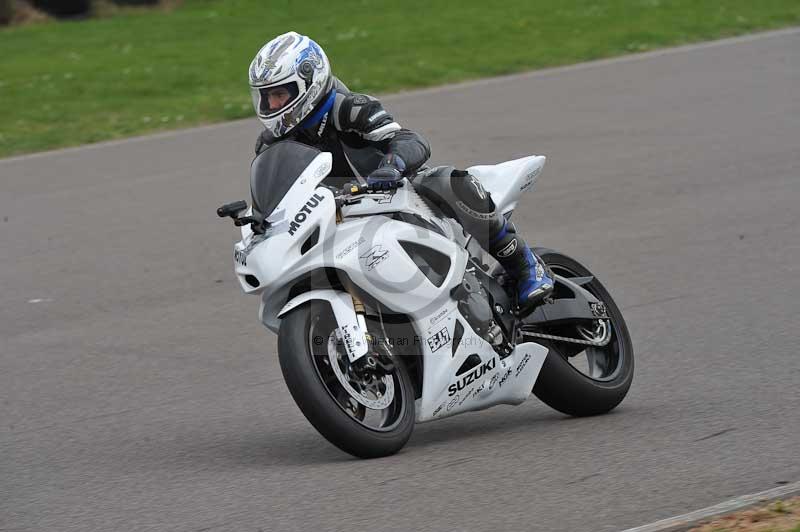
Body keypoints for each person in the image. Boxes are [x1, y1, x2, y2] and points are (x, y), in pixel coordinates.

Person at [249, 31, 553, 312]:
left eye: (280, 94)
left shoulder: (350, 109)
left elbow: (410, 140)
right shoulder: (272, 144)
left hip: (401, 198)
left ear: (308, 82)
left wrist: (391, 167)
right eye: (267, 96)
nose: (272, 103)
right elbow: (278, 191)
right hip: (343, 220)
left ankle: (524, 265)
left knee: (446, 180)